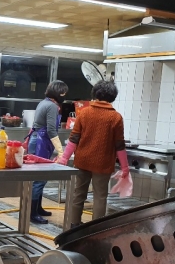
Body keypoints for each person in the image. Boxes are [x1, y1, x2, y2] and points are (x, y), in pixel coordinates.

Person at [57, 81, 129, 226]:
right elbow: (119, 145)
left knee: (79, 194)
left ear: (95, 93)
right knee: (100, 197)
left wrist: (64, 158)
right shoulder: (116, 117)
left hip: (82, 161)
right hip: (103, 164)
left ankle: (74, 225)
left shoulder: (84, 113)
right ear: (113, 96)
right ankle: (95, 229)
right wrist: (125, 167)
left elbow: (74, 139)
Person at [28, 80, 68, 225]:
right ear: (59, 93)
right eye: (64, 93)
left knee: (39, 177)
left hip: (36, 140)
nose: (65, 95)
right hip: (41, 142)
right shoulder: (52, 106)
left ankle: (37, 208)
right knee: (39, 178)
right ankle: (32, 213)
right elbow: (51, 130)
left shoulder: (43, 102)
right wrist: (61, 151)